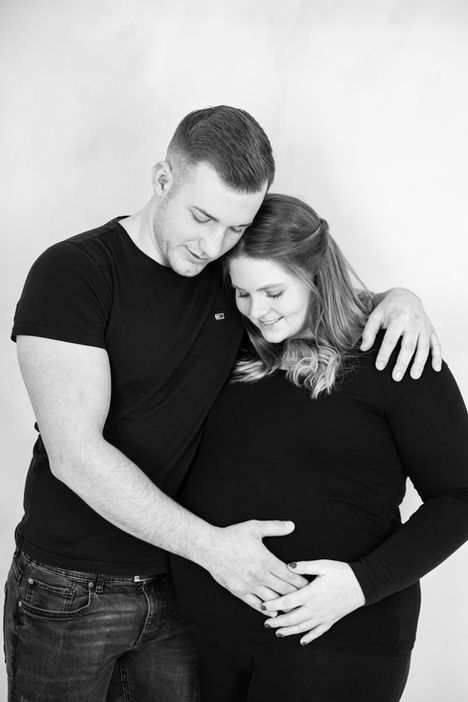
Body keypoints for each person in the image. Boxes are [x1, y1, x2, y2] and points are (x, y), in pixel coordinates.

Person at [5, 106, 442, 702]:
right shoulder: (74, 273)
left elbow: (305, 288)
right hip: (76, 587)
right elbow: (75, 455)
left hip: (184, 596)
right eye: (202, 216)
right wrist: (214, 550)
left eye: (235, 228)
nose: (213, 244)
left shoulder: (226, 276)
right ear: (163, 179)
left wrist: (401, 298)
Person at [170, 193, 468, 702]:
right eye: (242, 293)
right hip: (208, 639)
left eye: (273, 292)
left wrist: (361, 584)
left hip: (339, 643)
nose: (257, 311)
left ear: (315, 276)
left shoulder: (392, 353)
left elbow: (460, 496)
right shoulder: (226, 344)